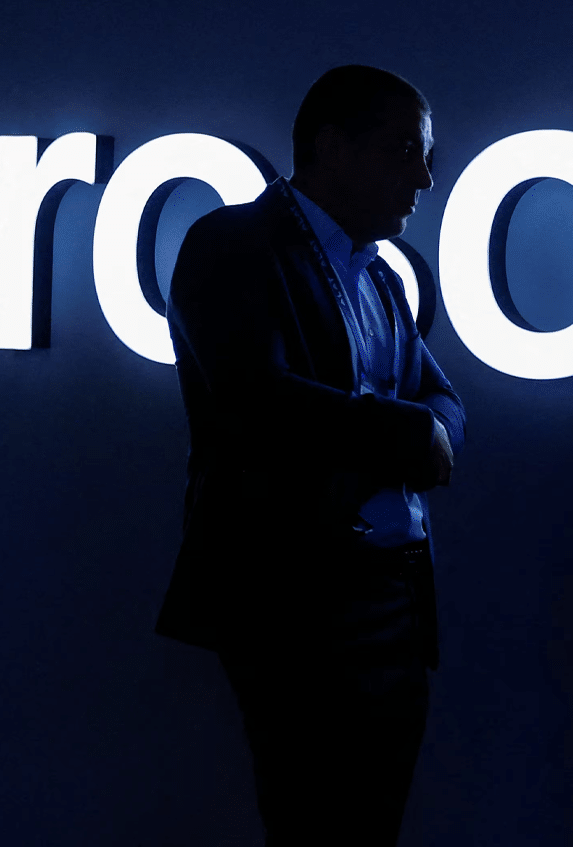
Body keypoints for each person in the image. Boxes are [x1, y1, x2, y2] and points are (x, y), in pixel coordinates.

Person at [157, 64, 465, 847]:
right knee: (315, 828)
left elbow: (446, 404)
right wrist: (409, 436)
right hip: (295, 602)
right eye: (405, 151)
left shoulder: (379, 276)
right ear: (332, 146)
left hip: (392, 603)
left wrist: (419, 430)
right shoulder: (232, 243)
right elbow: (254, 399)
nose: (425, 179)